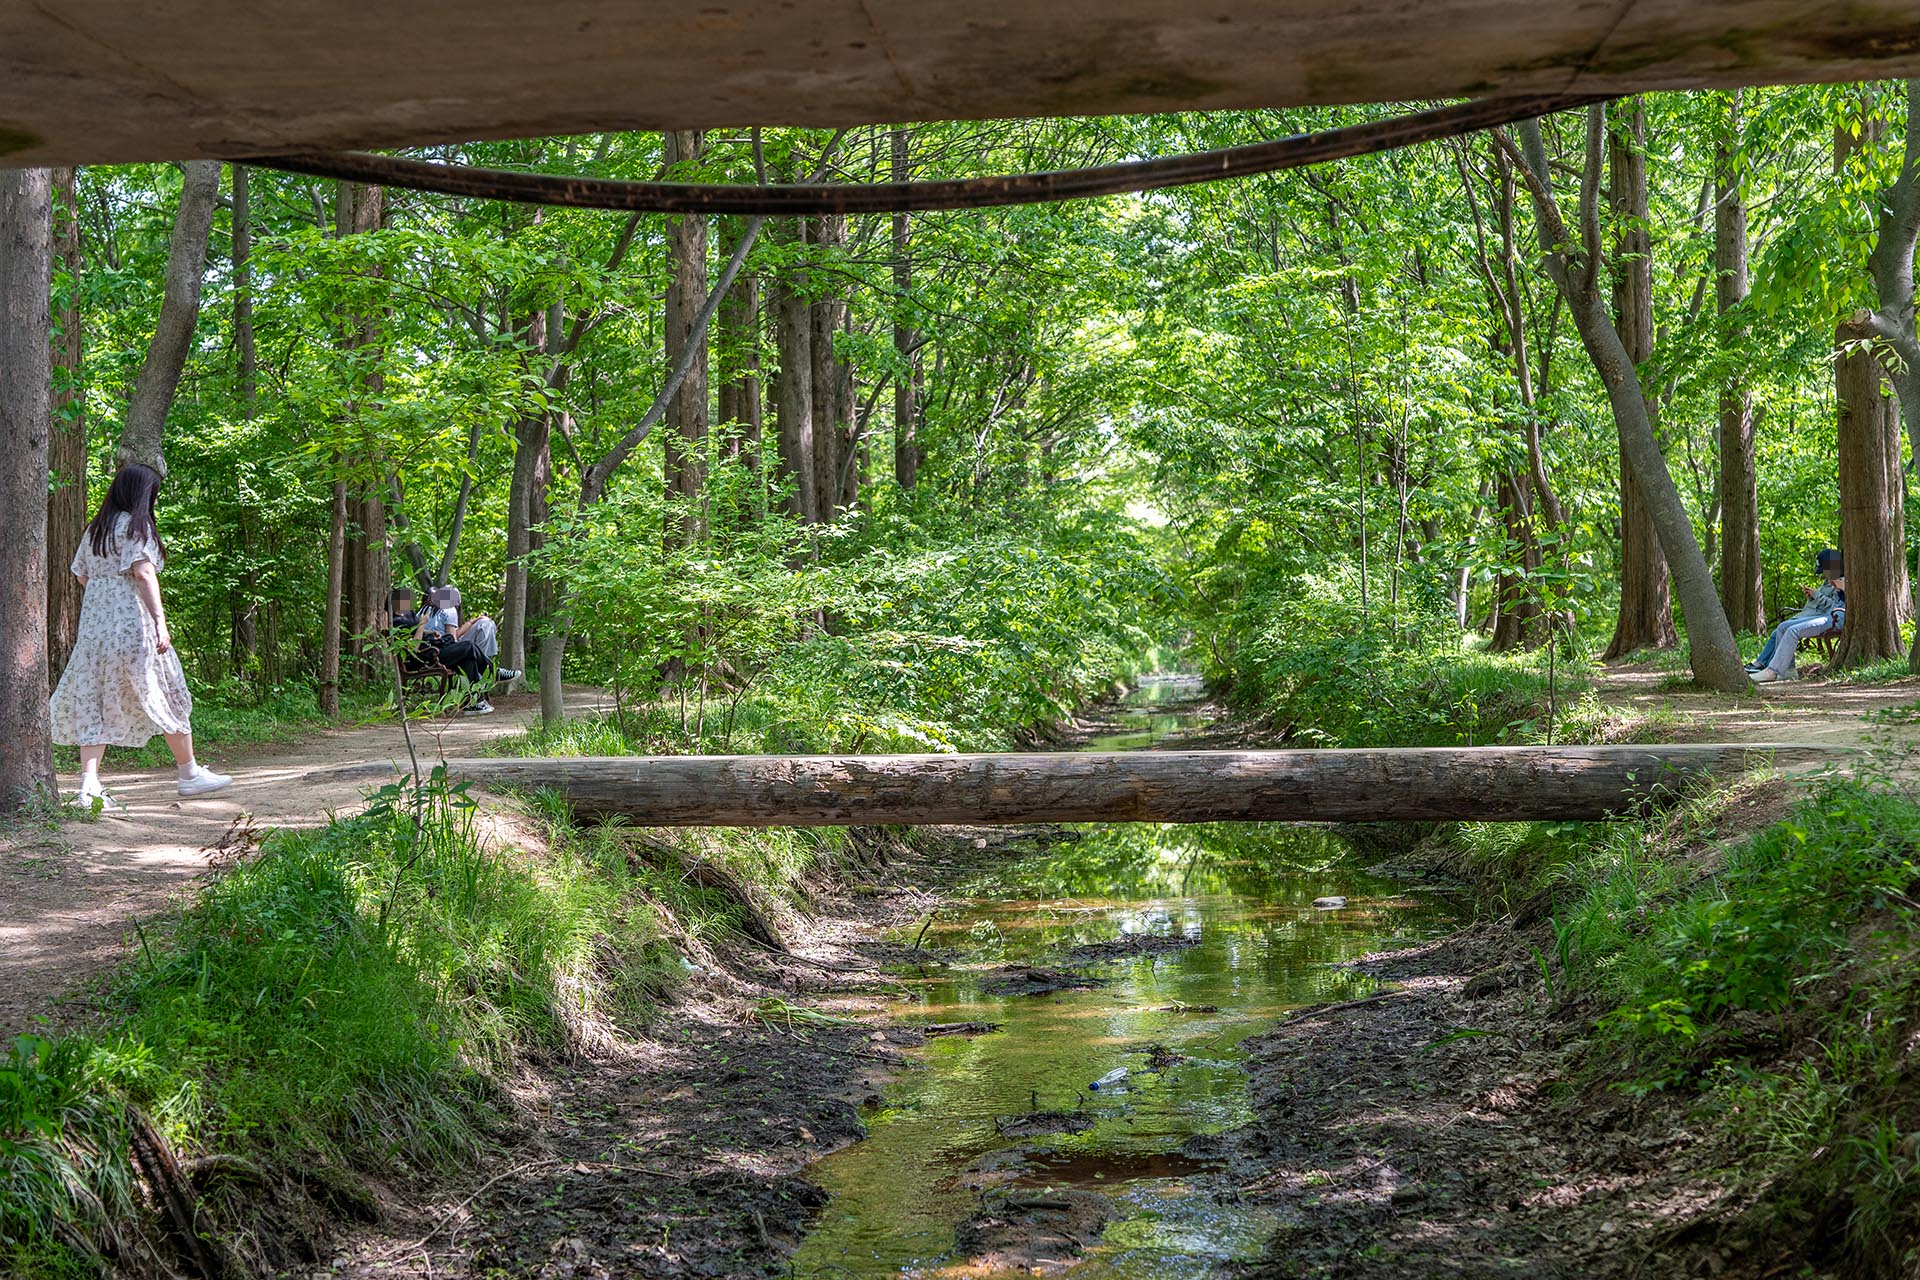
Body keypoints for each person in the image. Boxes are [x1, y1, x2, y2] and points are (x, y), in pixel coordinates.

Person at [48, 463, 233, 809]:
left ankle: (89, 786)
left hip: (95, 632)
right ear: (141, 494)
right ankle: (189, 773)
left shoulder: (95, 530)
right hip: (134, 627)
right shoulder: (137, 526)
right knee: (166, 691)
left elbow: (82, 577)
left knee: (95, 699)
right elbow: (145, 573)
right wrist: (160, 623)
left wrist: (105, 602)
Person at [388, 586, 515, 716]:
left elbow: (415, 632)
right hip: (423, 657)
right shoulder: (396, 622)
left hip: (431, 648)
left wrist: (431, 632)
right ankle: (494, 673)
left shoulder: (408, 614)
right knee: (468, 646)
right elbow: (412, 649)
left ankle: (473, 703)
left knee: (469, 659)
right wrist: (421, 624)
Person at [1749, 548, 1845, 684]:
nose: (1824, 573)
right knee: (1782, 627)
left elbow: (1834, 606)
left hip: (1834, 618)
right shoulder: (1828, 582)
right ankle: (1788, 671)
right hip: (1825, 616)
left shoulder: (1843, 580)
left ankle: (1772, 671)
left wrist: (1840, 588)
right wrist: (1812, 596)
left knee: (1793, 630)